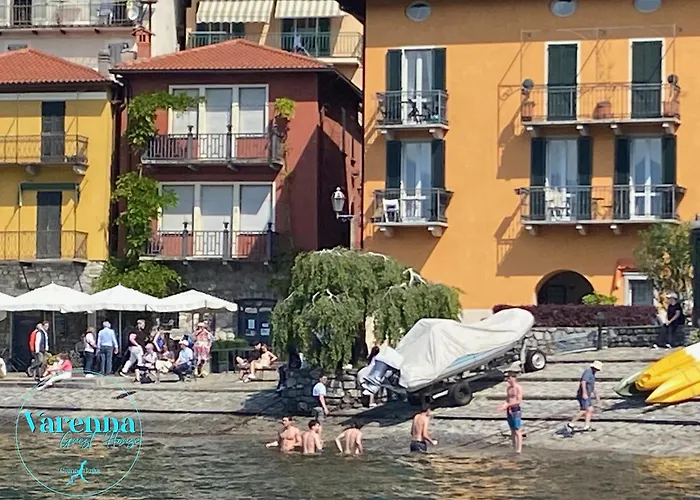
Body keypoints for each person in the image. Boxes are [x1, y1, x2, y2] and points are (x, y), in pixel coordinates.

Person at [567, 360, 602, 432]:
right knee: (584, 410)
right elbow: (583, 382)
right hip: (583, 395)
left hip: (588, 395)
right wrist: (584, 393)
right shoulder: (588, 372)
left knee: (590, 409)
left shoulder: (593, 374)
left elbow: (592, 386)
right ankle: (571, 423)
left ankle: (587, 426)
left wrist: (597, 396)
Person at [499, 372, 524, 454]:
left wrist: (508, 405)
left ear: (514, 378)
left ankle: (519, 449)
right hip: (509, 410)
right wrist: (503, 405)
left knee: (517, 429)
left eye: (509, 378)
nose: (508, 380)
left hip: (515, 409)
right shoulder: (508, 388)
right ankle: (514, 447)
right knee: (512, 429)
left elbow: (518, 401)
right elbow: (507, 399)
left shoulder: (518, 388)